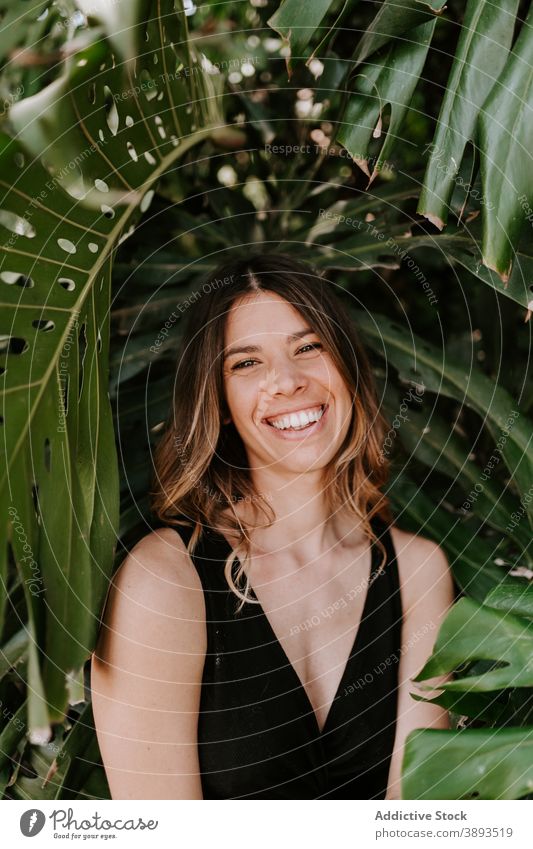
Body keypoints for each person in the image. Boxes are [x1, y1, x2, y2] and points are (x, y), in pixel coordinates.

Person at [91, 253, 455, 800]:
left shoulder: (419, 572)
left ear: (348, 368)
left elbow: (419, 822)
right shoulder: (165, 581)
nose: (286, 381)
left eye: (309, 347)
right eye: (246, 363)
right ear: (219, 401)